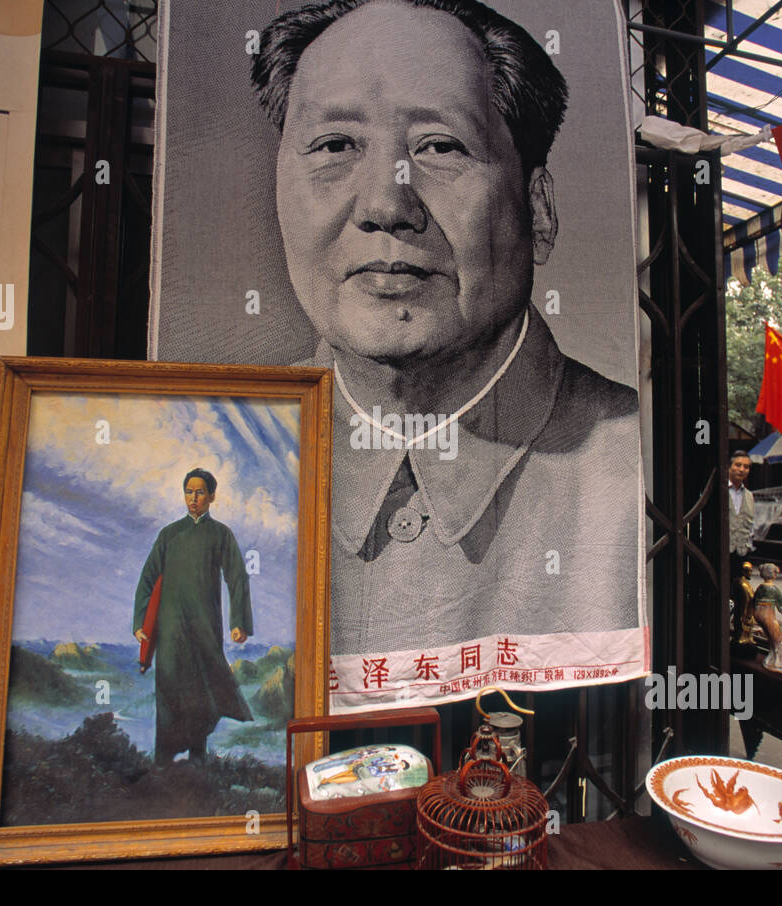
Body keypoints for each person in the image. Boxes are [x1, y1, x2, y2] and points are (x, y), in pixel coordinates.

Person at [250, 0, 641, 656]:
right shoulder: (222, 453)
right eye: (335, 146)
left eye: (440, 147)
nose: (384, 206)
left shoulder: (632, 471)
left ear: (538, 210)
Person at [133, 468, 254, 766]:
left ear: (212, 496)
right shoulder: (169, 534)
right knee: (169, 687)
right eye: (189, 491)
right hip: (170, 627)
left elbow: (237, 577)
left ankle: (198, 755)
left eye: (200, 492)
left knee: (202, 690)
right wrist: (140, 623)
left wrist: (239, 622)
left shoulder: (221, 534)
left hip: (205, 626)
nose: (193, 498)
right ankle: (163, 759)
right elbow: (147, 579)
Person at [727, 450, 754, 639]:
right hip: (722, 552)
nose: (741, 469)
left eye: (746, 466)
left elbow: (750, 525)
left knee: (742, 597)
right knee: (723, 595)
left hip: (742, 553)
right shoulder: (720, 490)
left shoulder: (750, 496)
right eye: (738, 465)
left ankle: (739, 634)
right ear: (729, 467)